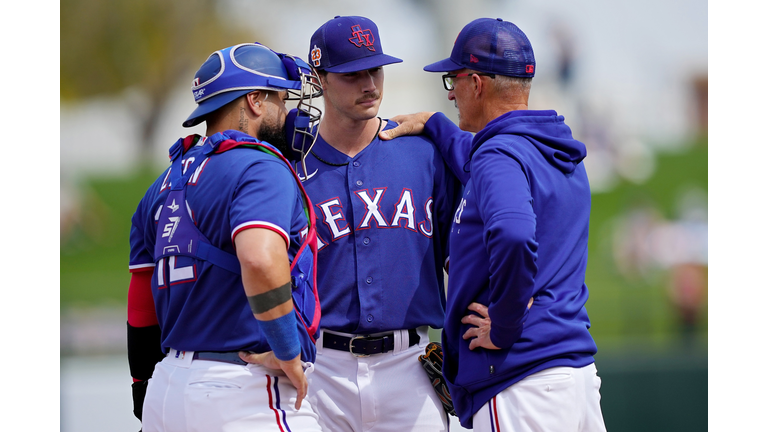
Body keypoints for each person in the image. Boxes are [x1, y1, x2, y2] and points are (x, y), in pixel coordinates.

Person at [379, 17, 608, 432]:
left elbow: (513, 234)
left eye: (454, 79)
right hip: (574, 376)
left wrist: (503, 325)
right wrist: (435, 124)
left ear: (477, 84)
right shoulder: (551, 151)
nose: (450, 92)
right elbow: (484, 162)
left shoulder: (499, 156)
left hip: (522, 380)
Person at [126, 42, 324, 432]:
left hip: (168, 388)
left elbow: (140, 300)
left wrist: (142, 383)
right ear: (254, 100)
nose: (286, 113)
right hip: (241, 389)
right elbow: (259, 259)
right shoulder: (259, 166)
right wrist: (287, 352)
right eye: (280, 100)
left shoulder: (163, 182)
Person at [284, 15, 460, 432]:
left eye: (375, 69)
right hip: (320, 369)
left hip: (410, 367)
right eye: (352, 73)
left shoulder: (423, 154)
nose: (370, 84)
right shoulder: (288, 167)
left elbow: (464, 254)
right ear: (320, 78)